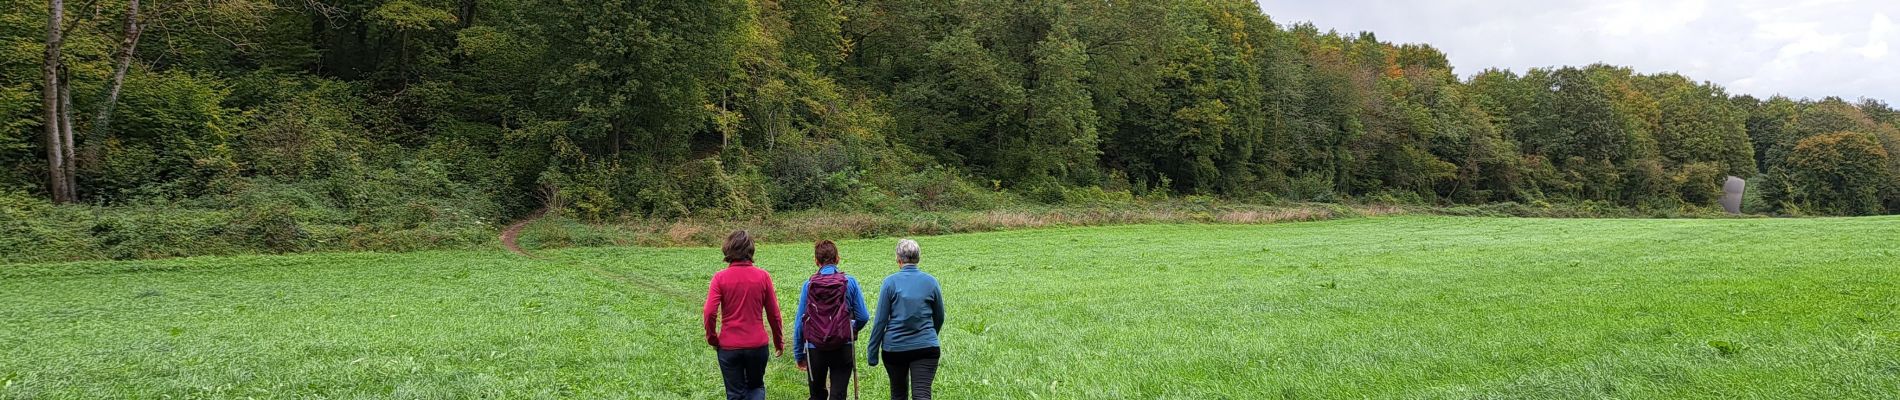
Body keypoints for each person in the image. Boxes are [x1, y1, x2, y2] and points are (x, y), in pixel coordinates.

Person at [702, 230, 785, 400]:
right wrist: (778, 341)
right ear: (751, 250)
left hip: (729, 345)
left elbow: (709, 311)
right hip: (757, 345)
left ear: (727, 250)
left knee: (735, 394)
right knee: (756, 387)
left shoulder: (720, 278)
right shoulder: (763, 277)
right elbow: (774, 314)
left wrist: (713, 338)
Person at [866, 239, 944, 400]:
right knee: (922, 394)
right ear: (918, 258)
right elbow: (939, 316)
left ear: (898, 259)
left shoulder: (890, 283)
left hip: (895, 349)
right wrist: (929, 334)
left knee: (898, 394)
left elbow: (880, 321)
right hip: (926, 347)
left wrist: (872, 353)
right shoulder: (931, 282)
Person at [793, 240, 871, 400]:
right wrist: (850, 328)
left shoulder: (809, 285)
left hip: (815, 348)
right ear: (837, 259)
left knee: (817, 395)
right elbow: (863, 316)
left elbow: (800, 323)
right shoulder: (850, 282)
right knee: (838, 395)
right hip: (843, 346)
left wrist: (799, 354)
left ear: (816, 261)